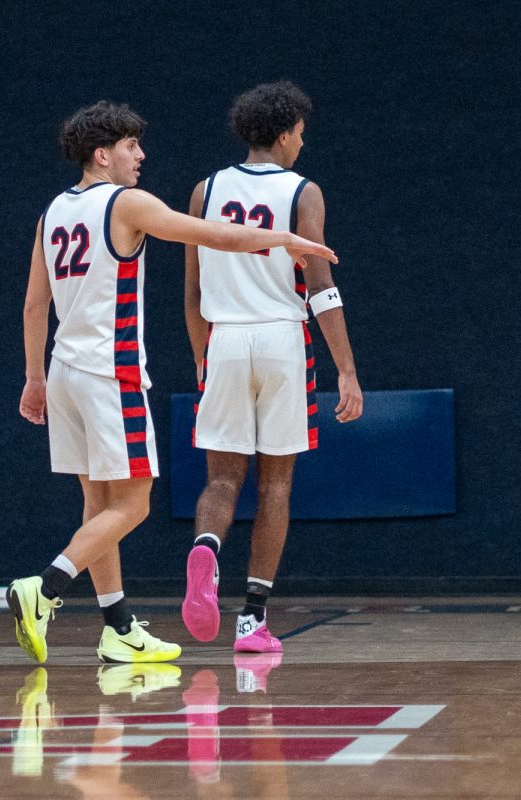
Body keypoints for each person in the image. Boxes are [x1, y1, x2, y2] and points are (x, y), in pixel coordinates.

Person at [8, 101, 337, 665]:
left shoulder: (53, 211)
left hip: (63, 368)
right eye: (132, 146)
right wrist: (280, 240)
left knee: (98, 505)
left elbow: (35, 301)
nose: (142, 156)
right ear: (102, 154)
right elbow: (206, 233)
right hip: (109, 371)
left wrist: (34, 376)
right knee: (133, 504)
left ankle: (116, 626)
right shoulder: (126, 202)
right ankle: (46, 587)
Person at [181, 81, 363, 655]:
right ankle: (252, 619)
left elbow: (191, 292)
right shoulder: (303, 192)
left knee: (221, 479)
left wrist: (200, 357)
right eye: (301, 136)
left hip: (224, 338)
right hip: (282, 339)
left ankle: (206, 552)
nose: (302, 146)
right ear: (284, 135)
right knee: (276, 483)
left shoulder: (203, 190)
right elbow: (321, 288)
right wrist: (348, 370)